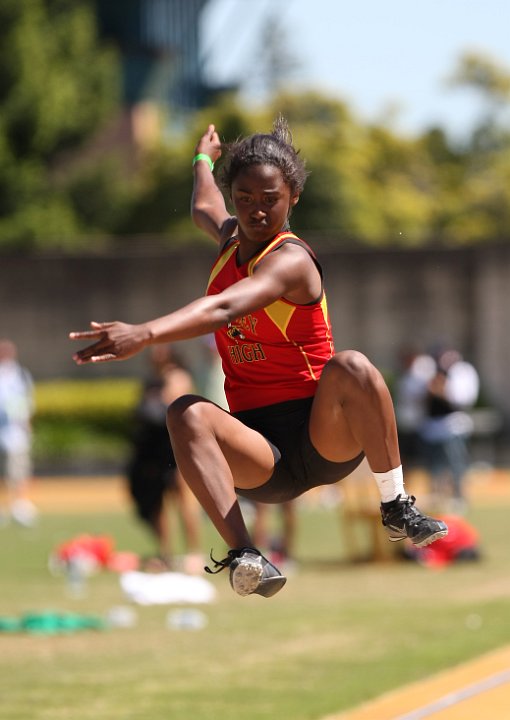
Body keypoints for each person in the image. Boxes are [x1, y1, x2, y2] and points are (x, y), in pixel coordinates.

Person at [70, 118, 448, 598]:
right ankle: (245, 554)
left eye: (269, 199)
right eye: (244, 199)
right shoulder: (230, 240)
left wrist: (145, 332)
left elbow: (225, 306)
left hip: (321, 437)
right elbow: (203, 204)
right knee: (184, 411)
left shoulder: (291, 260)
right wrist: (203, 160)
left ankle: (396, 505)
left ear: (292, 197)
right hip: (261, 455)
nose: (257, 210)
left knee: (352, 365)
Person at [126, 344, 203, 572]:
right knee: (157, 503)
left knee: (184, 500)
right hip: (154, 451)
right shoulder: (151, 380)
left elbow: (173, 410)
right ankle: (165, 553)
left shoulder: (177, 376)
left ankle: (194, 553)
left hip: (175, 448)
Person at [419, 347, 479, 510]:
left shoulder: (462, 372)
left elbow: (462, 399)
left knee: (455, 463)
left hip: (452, 426)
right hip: (432, 428)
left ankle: (459, 496)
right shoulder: (431, 372)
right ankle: (437, 495)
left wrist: (441, 391)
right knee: (434, 466)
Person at [0, 339, 38, 527]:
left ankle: (20, 505)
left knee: (19, 469)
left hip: (15, 431)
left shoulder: (20, 374)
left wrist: (27, 423)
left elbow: (28, 400)